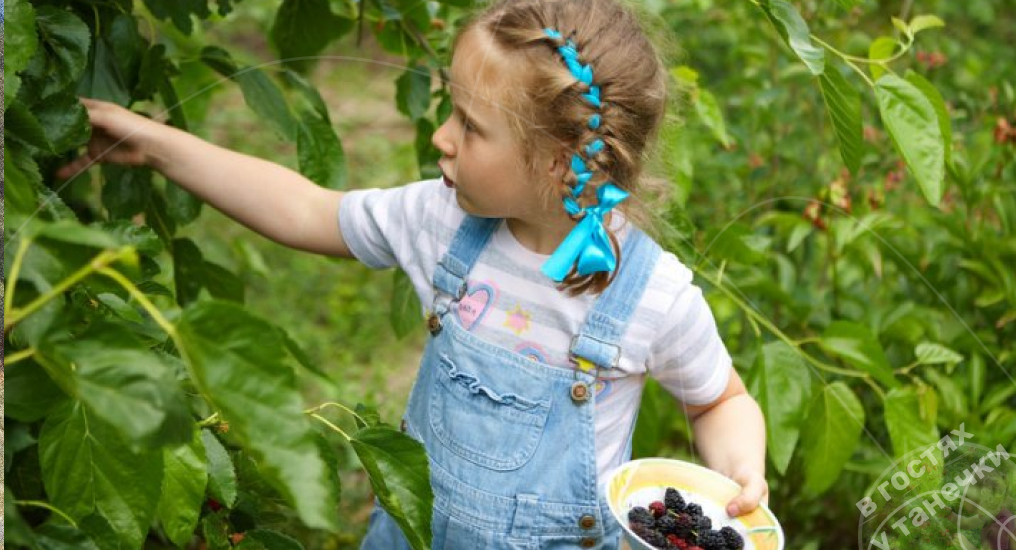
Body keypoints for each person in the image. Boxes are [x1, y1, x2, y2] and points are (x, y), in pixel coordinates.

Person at [58, 0, 768, 547]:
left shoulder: (651, 294)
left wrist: (739, 477)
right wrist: (154, 143)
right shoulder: (439, 221)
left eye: (468, 123)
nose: (440, 136)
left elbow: (717, 400)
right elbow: (307, 210)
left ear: (557, 162)